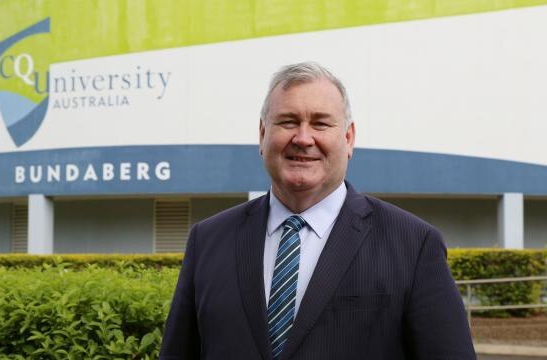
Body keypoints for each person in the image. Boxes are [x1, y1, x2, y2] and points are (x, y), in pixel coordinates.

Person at [159, 62, 476, 360]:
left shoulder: (413, 245)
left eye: (321, 123)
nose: (303, 138)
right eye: (288, 122)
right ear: (262, 135)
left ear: (348, 138)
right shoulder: (208, 240)